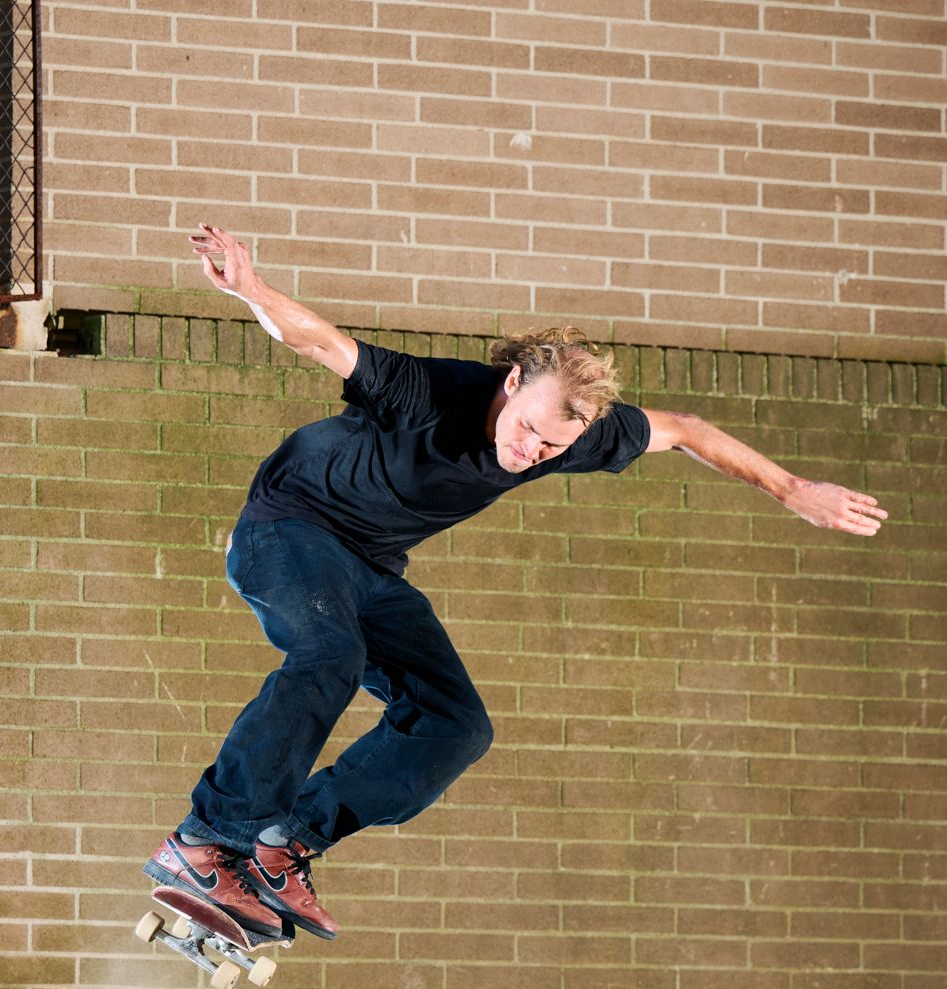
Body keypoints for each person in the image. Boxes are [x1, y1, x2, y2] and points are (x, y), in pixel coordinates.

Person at [148, 223, 889, 944]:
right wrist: (251, 288)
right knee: (328, 658)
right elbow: (322, 342)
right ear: (511, 383)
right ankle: (207, 839)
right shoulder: (428, 391)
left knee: (455, 725)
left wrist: (792, 488)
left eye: (552, 447)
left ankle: (284, 841)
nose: (530, 451)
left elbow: (686, 428)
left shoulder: (572, 433)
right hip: (289, 529)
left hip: (370, 567)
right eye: (528, 429)